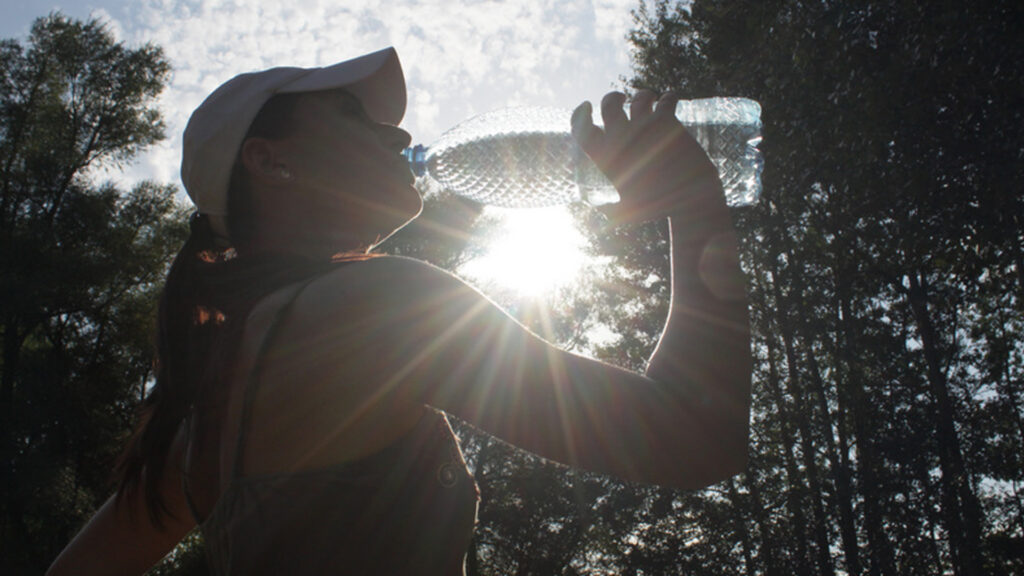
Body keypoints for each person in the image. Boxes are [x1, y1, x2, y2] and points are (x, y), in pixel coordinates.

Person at [46, 47, 751, 575]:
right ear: (271, 162)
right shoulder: (373, 303)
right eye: (352, 115)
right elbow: (691, 435)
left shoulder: (203, 418)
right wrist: (693, 201)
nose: (395, 135)